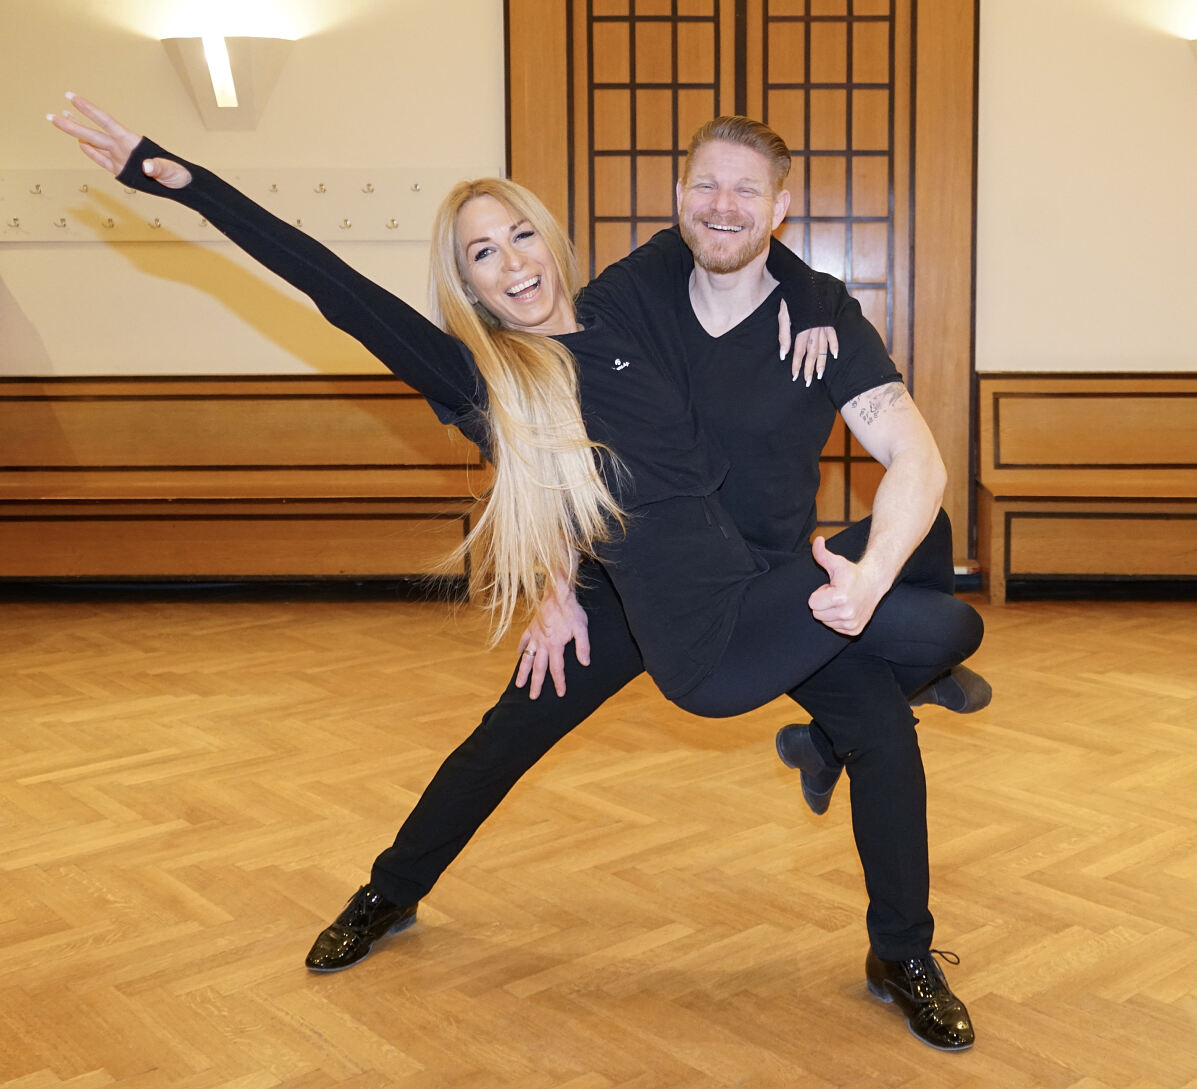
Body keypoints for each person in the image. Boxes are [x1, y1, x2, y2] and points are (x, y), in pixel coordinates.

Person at [50, 99, 984, 1050]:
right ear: (467, 285)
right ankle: (387, 891)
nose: (513, 264)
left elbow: (731, 225)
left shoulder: (630, 297)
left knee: (892, 685)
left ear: (552, 241)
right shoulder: (484, 380)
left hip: (757, 576)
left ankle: (898, 952)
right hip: (625, 596)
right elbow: (332, 286)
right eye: (482, 255)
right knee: (505, 738)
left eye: (520, 236)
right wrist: (182, 180)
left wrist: (819, 300)